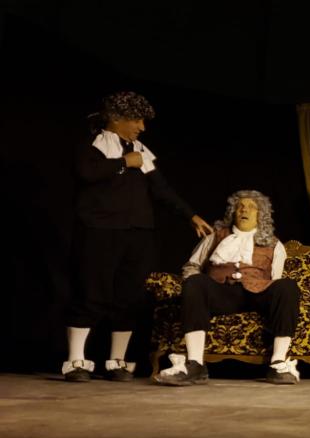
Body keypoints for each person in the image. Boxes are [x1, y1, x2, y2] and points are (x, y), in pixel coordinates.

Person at [63, 91, 213, 382]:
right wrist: (122, 162)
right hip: (100, 231)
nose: (142, 127)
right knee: (91, 293)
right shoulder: (93, 144)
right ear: (116, 118)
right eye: (136, 120)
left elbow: (162, 190)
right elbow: (86, 173)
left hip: (138, 234)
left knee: (129, 297)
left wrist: (190, 215)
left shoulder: (141, 150)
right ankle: (76, 361)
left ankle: (117, 361)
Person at [154, 190, 301, 386]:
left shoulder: (274, 244)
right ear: (233, 212)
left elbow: (276, 277)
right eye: (240, 206)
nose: (244, 210)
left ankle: (278, 363)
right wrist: (194, 290)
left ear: (261, 214)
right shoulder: (215, 237)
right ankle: (196, 364)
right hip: (221, 293)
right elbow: (192, 266)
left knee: (287, 286)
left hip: (257, 295)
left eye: (251, 207)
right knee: (194, 281)